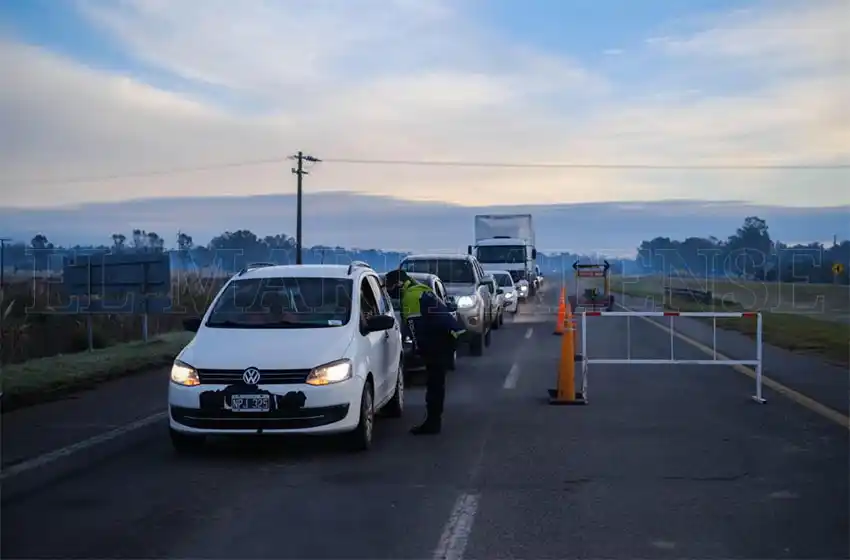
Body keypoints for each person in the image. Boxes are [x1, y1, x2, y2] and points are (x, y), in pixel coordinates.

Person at [383, 269, 465, 435]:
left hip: (440, 342)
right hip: (449, 336)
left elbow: (415, 328)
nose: (390, 292)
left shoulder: (410, 297)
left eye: (390, 288)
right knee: (437, 384)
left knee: (434, 385)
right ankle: (434, 421)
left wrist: (418, 351)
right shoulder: (419, 290)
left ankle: (432, 424)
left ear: (398, 285)